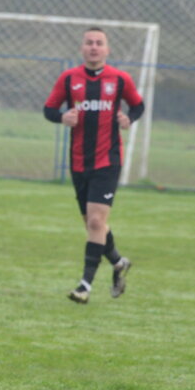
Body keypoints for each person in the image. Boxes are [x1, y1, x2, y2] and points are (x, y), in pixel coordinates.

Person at [43, 27, 144, 304]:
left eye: (99, 43)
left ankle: (85, 286)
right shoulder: (68, 79)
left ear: (107, 49)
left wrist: (128, 119)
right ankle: (118, 262)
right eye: (89, 42)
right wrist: (63, 118)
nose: (94, 47)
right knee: (93, 224)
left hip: (108, 159)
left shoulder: (120, 80)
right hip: (78, 161)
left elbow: (138, 106)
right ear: (82, 48)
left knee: (97, 221)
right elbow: (49, 109)